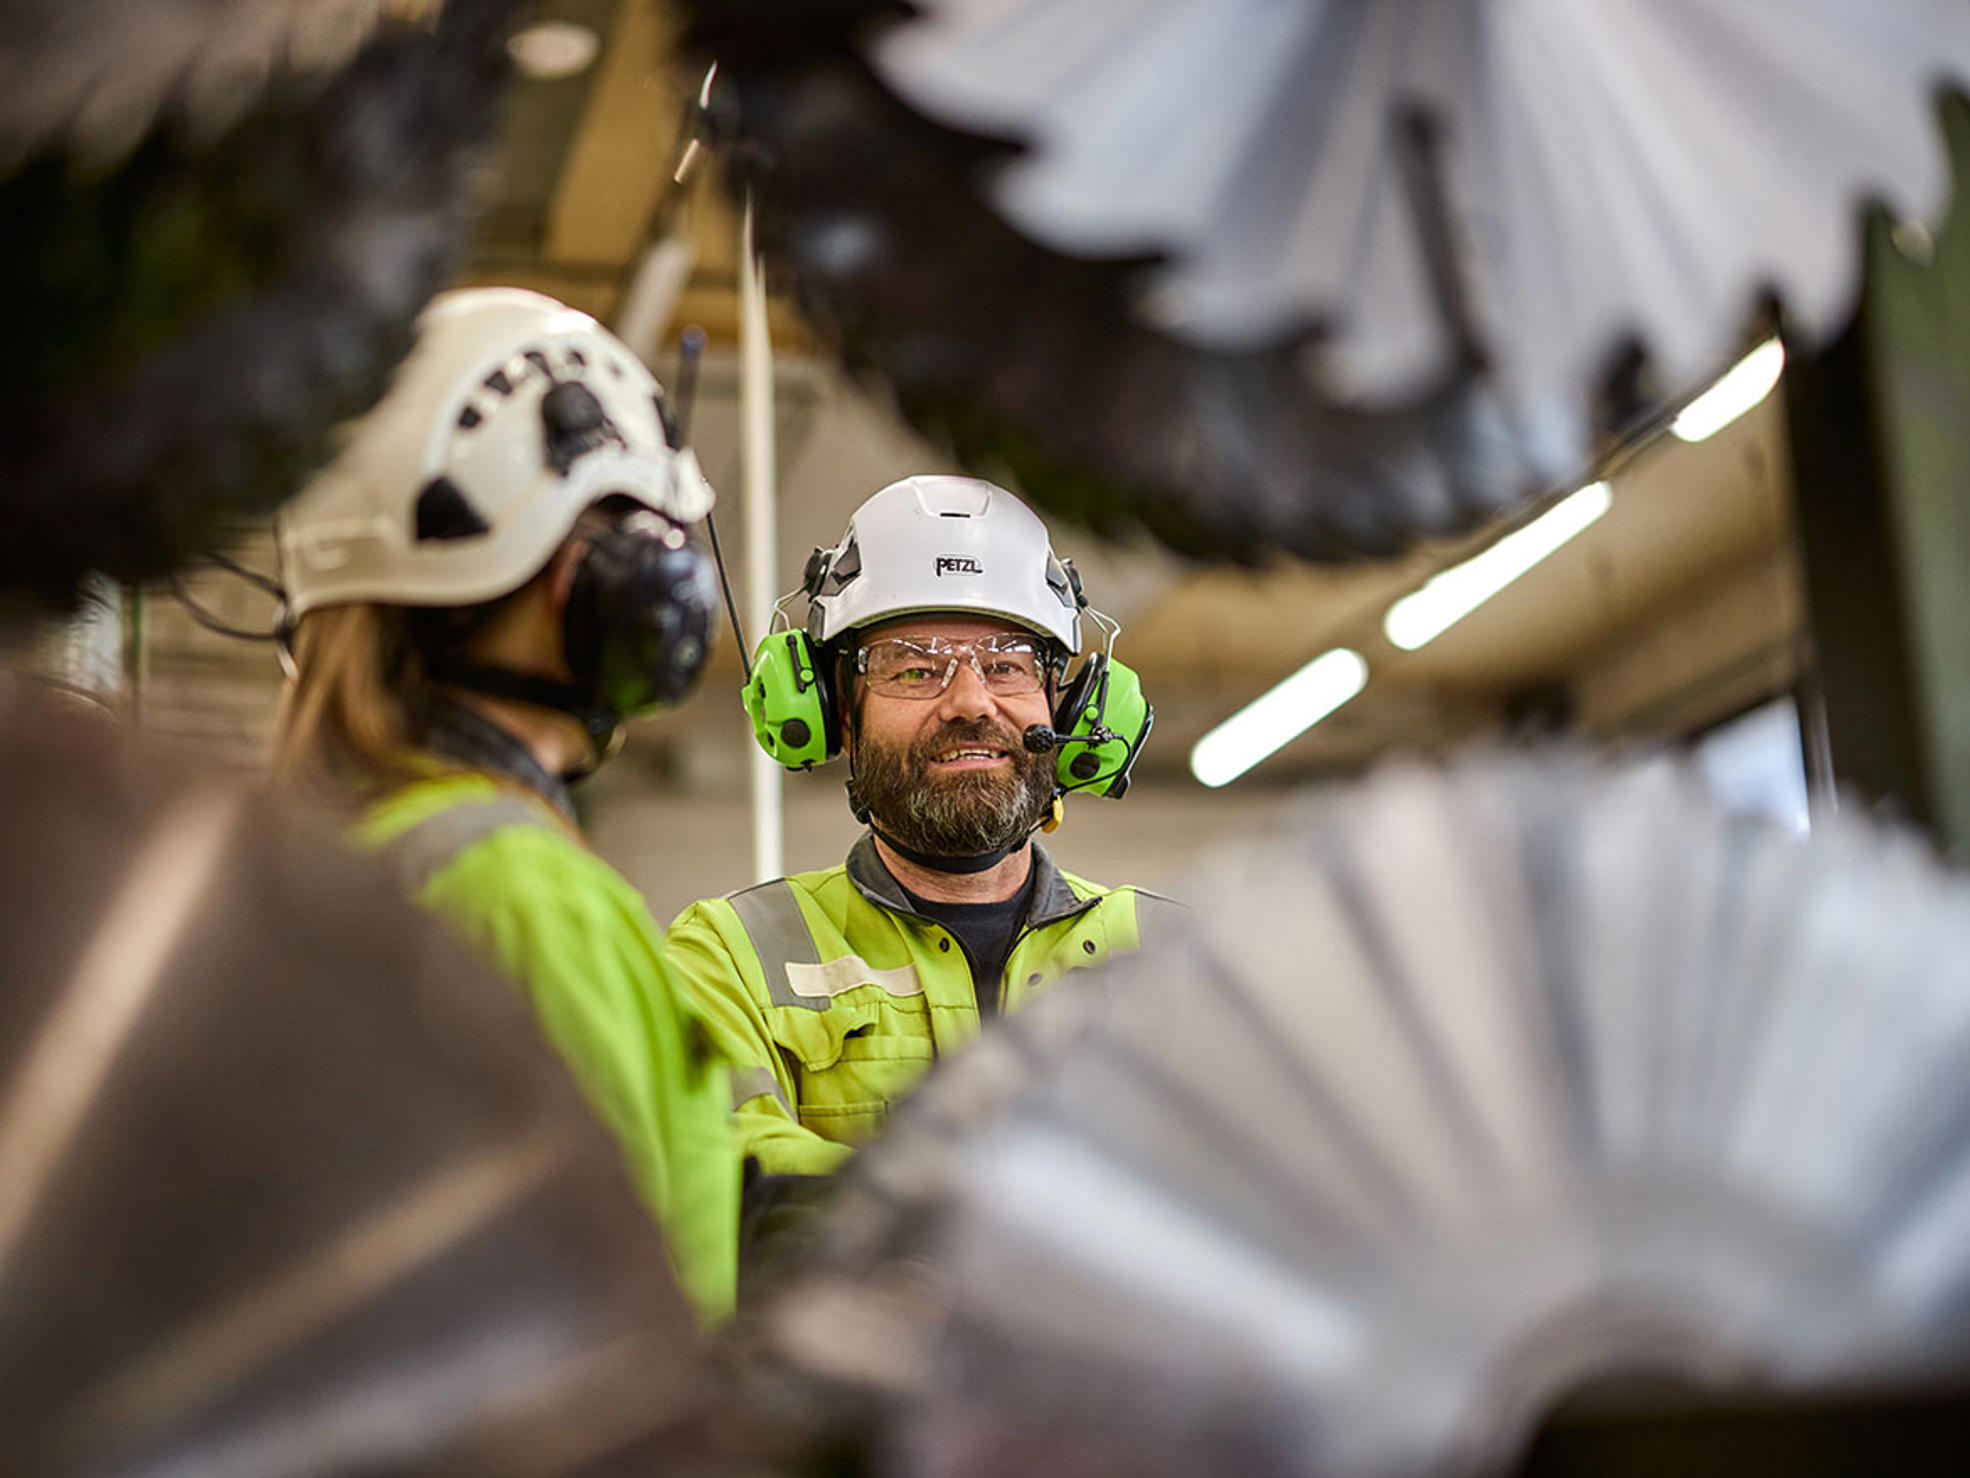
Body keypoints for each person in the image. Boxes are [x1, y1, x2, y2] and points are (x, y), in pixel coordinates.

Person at [271, 286, 740, 1320]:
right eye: (633, 529)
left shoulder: (321, 876)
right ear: (582, 582)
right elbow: (624, 1331)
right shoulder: (522, 894)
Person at [663, 475, 1174, 1197]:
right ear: (835, 708)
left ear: (1070, 705)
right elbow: (724, 1169)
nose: (970, 702)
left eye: (1007, 664)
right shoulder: (732, 957)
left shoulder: (1173, 953)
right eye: (915, 665)